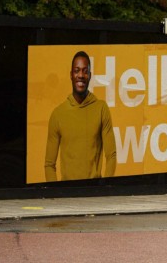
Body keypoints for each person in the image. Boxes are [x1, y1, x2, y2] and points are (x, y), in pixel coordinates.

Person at [44, 51, 116, 181]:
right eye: (77, 71)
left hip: (94, 194)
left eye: (85, 71)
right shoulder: (58, 114)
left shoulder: (101, 109)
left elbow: (111, 156)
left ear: (89, 75)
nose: (81, 75)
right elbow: (49, 165)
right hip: (67, 195)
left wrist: (105, 189)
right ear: (71, 75)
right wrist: (56, 194)